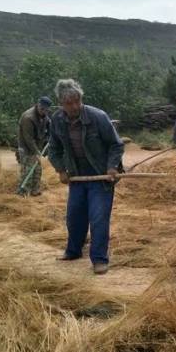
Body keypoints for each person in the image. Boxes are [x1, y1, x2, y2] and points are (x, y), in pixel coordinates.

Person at [48, 78, 124, 275]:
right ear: (61, 104)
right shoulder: (57, 120)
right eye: (68, 103)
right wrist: (61, 170)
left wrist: (112, 167)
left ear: (81, 98)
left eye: (77, 101)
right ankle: (73, 251)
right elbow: (54, 150)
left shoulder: (98, 117)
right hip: (77, 177)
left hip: (100, 178)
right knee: (74, 217)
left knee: (98, 218)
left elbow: (116, 144)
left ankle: (99, 259)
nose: (74, 106)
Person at [17, 96, 52, 196]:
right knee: (28, 170)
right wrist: (36, 152)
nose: (44, 111)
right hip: (26, 147)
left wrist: (50, 135)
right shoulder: (28, 118)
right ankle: (23, 192)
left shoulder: (44, 116)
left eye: (46, 110)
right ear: (38, 105)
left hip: (37, 146)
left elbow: (49, 124)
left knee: (37, 169)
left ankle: (35, 190)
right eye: (42, 109)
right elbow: (28, 139)